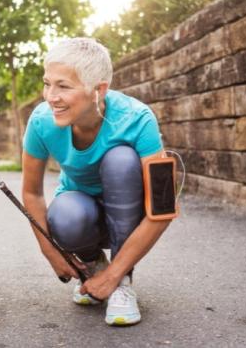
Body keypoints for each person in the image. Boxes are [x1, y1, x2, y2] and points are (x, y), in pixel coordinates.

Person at [21, 37, 172, 326]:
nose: (50, 96)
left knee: (121, 160)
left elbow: (163, 208)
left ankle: (122, 280)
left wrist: (113, 277)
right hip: (82, 217)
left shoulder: (138, 118)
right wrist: (51, 252)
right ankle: (93, 263)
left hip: (132, 216)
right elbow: (31, 193)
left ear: (98, 90)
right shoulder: (41, 121)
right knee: (65, 214)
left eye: (63, 86)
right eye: (47, 83)